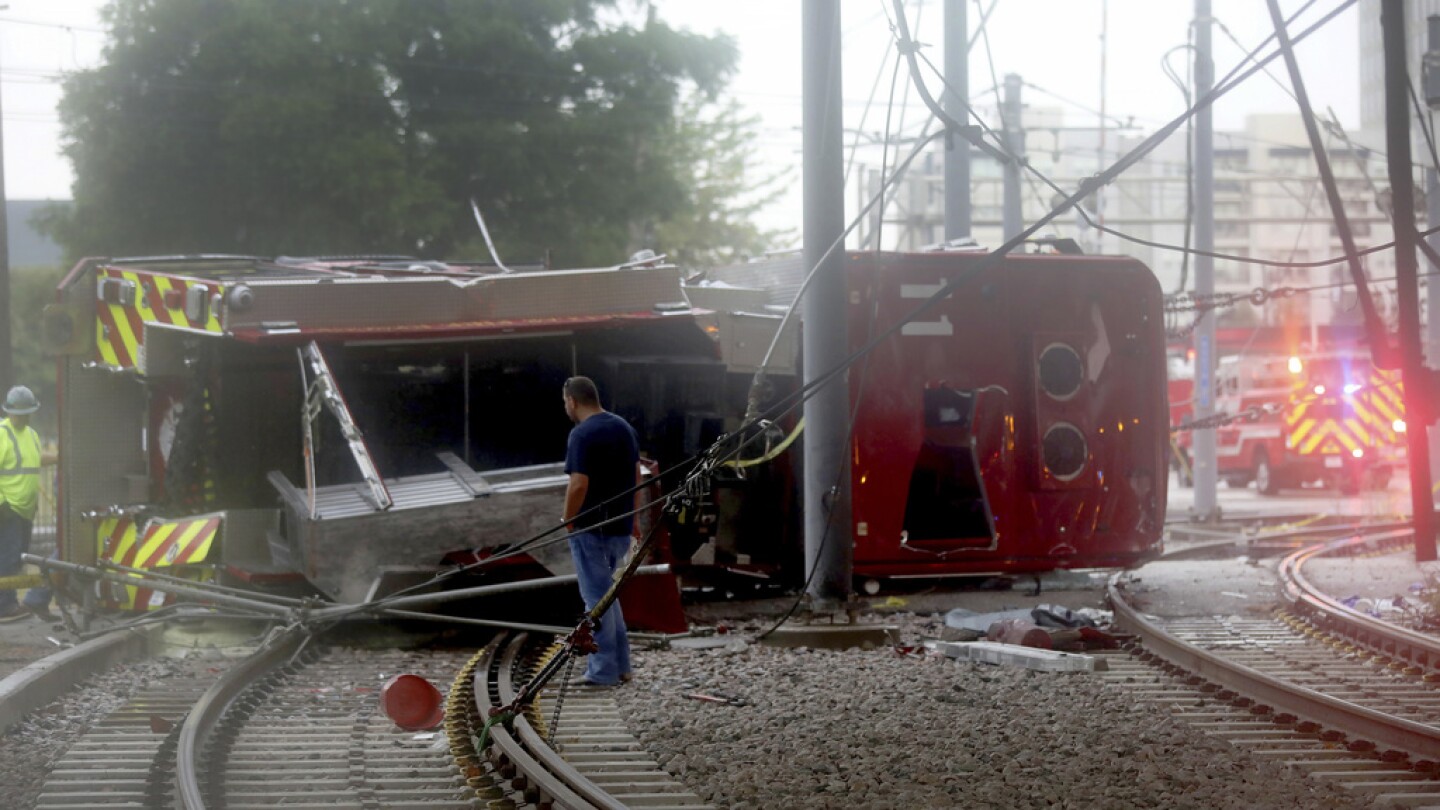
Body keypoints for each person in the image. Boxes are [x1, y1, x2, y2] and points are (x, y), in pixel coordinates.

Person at [561, 376, 638, 687]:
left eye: (565, 401)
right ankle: (622, 666)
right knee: (609, 598)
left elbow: (579, 483)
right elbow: (636, 475)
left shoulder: (581, 434)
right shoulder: (623, 427)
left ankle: (602, 672)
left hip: (591, 528)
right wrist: (633, 517)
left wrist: (568, 517)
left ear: (573, 401)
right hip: (620, 525)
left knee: (596, 600)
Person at [0, 385, 57, 623]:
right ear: (9, 411)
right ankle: (5, 605)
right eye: (19, 413)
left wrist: (59, 457)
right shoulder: (2, 433)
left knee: (18, 558)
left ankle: (12, 603)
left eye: (26, 413)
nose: (22, 417)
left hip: (25, 509)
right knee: (8, 556)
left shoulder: (31, 435)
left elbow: (35, 460)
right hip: (9, 507)